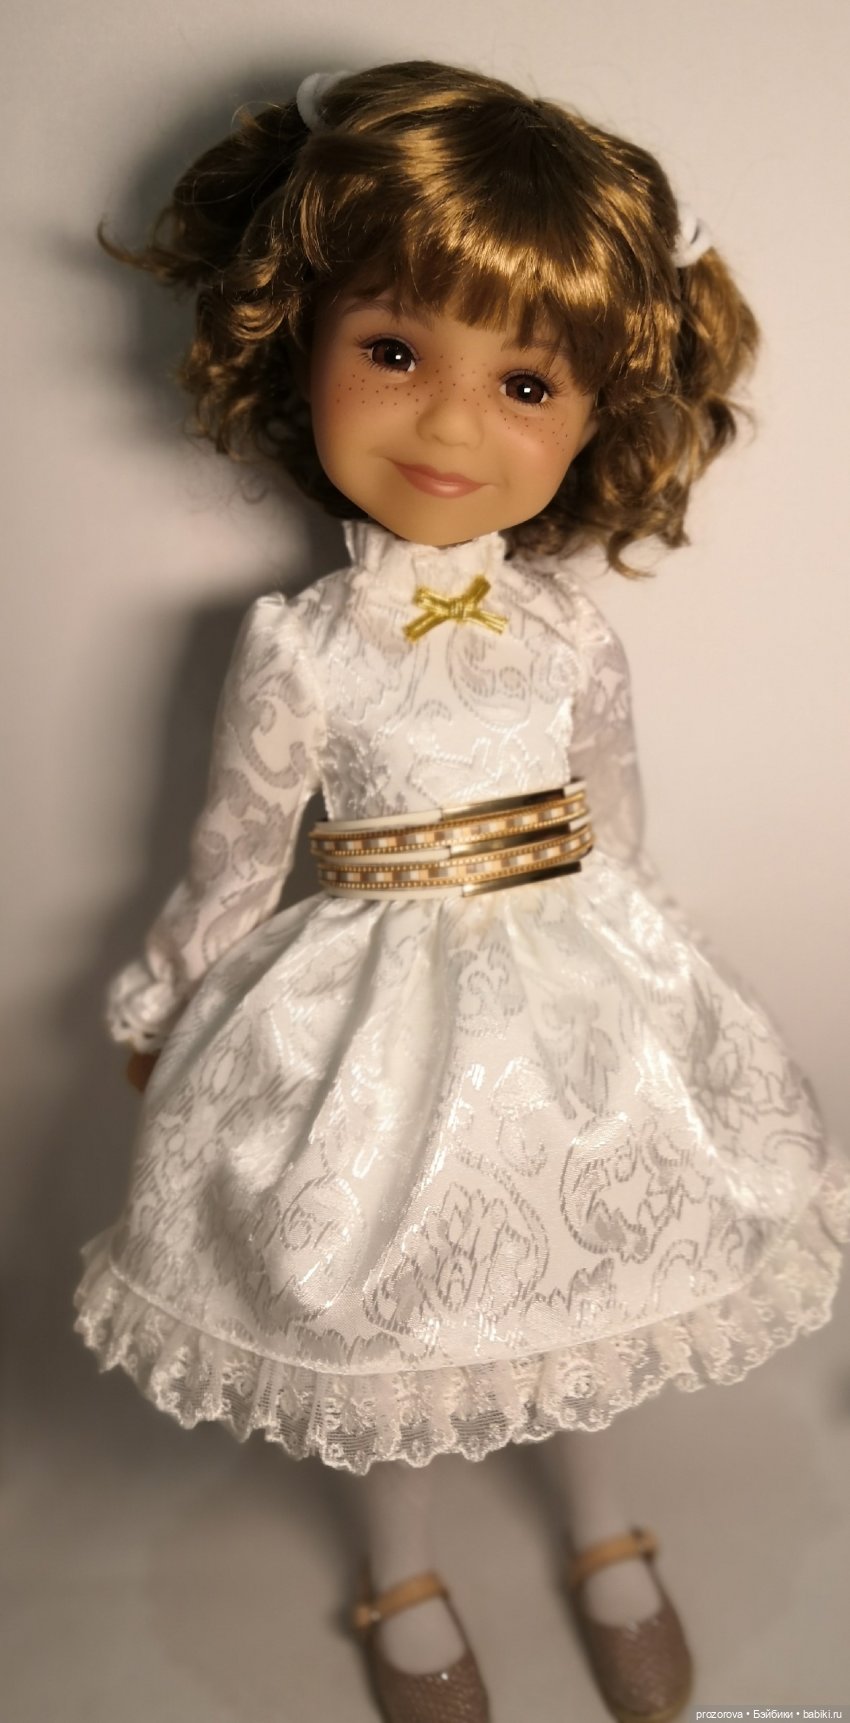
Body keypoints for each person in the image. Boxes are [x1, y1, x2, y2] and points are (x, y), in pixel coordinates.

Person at [73, 61, 850, 1723]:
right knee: (384, 1307)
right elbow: (236, 843)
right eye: (394, 351)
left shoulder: (568, 629)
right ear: (300, 340)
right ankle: (399, 1568)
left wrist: (660, 972)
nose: (447, 424)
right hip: (370, 1013)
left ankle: (600, 1524)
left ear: (592, 417)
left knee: (585, 1267)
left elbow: (613, 816)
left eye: (525, 383)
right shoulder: (297, 646)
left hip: (571, 998)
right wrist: (168, 993)